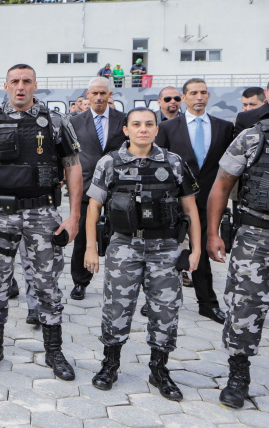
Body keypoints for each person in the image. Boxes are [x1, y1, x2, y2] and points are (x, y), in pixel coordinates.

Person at [0, 64, 82, 381]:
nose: (20, 87)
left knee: (48, 283)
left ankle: (54, 352)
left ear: (35, 85)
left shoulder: (54, 121)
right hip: (0, 213)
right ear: (6, 85)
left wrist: (74, 216)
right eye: (15, 81)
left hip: (43, 214)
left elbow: (73, 167)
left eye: (26, 81)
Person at [84, 107, 201, 401]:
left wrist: (196, 249)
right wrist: (90, 248)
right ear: (126, 130)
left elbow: (190, 209)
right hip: (124, 245)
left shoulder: (174, 163)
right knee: (116, 307)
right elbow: (93, 208)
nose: (143, 129)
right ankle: (110, 364)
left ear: (156, 129)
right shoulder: (110, 162)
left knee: (165, 310)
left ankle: (159, 368)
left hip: (165, 247)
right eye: (136, 124)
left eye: (149, 124)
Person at [155, 78, 234, 324]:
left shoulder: (223, 127)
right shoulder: (168, 128)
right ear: (184, 97)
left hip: (209, 200)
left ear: (208, 96)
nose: (199, 97)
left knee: (200, 253)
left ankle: (207, 304)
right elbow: (159, 164)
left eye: (204, 92)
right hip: (175, 201)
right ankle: (157, 302)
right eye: (194, 93)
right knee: (164, 253)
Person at [206, 115, 269, 408]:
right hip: (256, 235)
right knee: (244, 306)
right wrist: (212, 233)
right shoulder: (253, 137)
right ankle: (238, 377)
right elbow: (221, 184)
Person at [68, 77, 127, 301]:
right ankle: (79, 282)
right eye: (95, 93)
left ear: (110, 94)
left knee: (118, 236)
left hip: (118, 187)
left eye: (103, 93)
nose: (100, 97)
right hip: (85, 186)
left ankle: (119, 283)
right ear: (88, 94)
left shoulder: (123, 120)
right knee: (82, 237)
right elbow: (69, 154)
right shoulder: (75, 122)